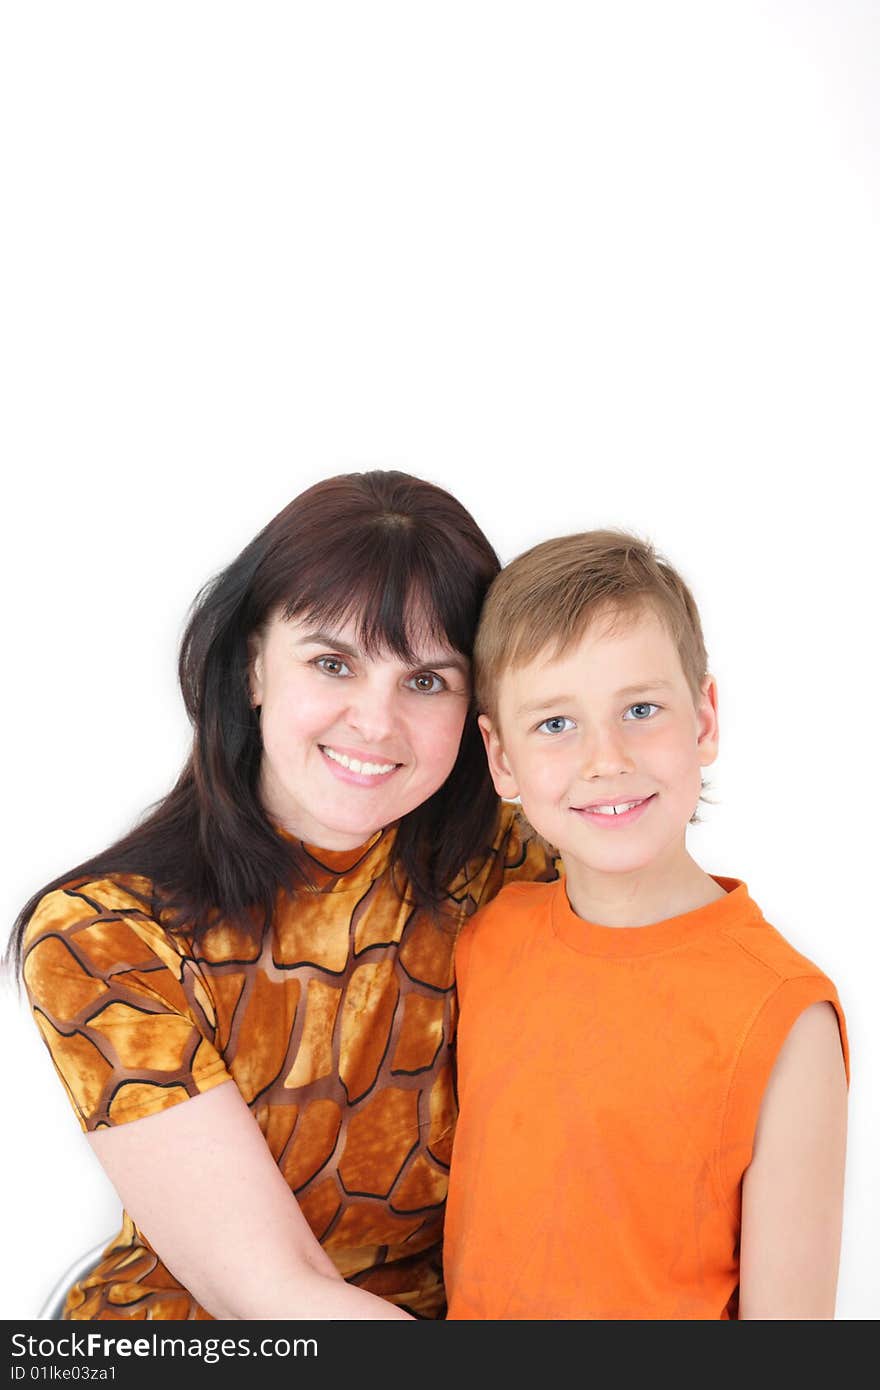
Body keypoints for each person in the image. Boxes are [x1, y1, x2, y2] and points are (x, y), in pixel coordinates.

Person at [9, 470, 557, 1321]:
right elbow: (271, 1293)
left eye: (426, 681)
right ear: (253, 667)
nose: (375, 723)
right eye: (332, 663)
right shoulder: (102, 936)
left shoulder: (518, 874)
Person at [443, 529, 849, 1320]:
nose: (607, 759)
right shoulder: (484, 941)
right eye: (555, 724)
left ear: (703, 722)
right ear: (501, 761)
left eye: (640, 709)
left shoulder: (785, 1017)